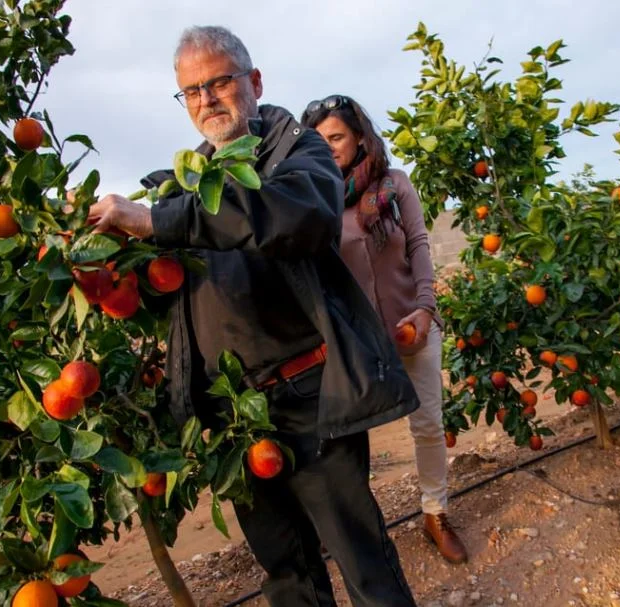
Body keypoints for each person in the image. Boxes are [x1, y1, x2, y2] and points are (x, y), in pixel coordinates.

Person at [88, 26, 419, 607]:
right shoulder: (184, 187)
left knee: (362, 561)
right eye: (191, 91)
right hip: (238, 419)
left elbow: (297, 216)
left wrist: (157, 220)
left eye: (219, 82)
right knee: (286, 572)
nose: (206, 99)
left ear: (254, 82)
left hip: (312, 399)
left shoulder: (297, 153)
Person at [301, 96, 468, 564]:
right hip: (355, 342)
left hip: (410, 327)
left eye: (336, 137)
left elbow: (417, 243)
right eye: (318, 141)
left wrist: (425, 308)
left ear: (358, 137)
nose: (329, 147)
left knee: (429, 427)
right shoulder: (312, 200)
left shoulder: (394, 184)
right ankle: (347, 536)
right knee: (346, 441)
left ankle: (435, 513)